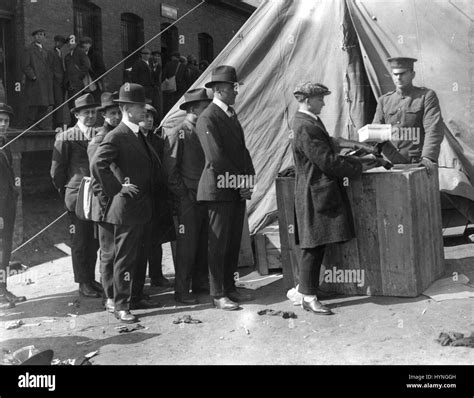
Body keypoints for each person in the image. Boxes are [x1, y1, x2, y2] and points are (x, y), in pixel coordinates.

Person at [291, 82, 378, 315]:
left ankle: (307, 289)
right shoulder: (304, 125)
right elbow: (327, 161)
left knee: (317, 242)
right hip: (314, 191)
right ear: (308, 100)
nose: (324, 102)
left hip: (317, 189)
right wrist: (359, 165)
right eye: (320, 99)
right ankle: (308, 297)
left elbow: (329, 142)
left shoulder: (309, 121)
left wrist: (357, 145)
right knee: (313, 244)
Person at [91, 83, 162, 323]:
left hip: (142, 207)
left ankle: (135, 296)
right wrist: (117, 188)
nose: (144, 109)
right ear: (126, 108)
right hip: (127, 209)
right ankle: (121, 305)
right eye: (140, 106)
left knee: (139, 255)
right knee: (124, 258)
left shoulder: (137, 133)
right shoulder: (117, 135)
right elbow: (97, 164)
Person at [196, 66, 255, 311]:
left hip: (233, 188)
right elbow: (215, 158)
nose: (236, 92)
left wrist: (248, 180)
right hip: (219, 190)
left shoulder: (231, 114)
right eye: (233, 88)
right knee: (218, 243)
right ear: (218, 90)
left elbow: (242, 151)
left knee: (231, 243)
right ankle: (218, 293)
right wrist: (239, 182)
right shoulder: (208, 117)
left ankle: (230, 287)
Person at [50, 93, 102, 298]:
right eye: (85, 113)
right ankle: (83, 282)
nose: (90, 116)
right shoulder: (66, 137)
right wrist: (67, 192)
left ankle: (90, 278)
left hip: (97, 194)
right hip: (77, 195)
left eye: (93, 112)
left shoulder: (99, 135)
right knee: (80, 239)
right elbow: (56, 171)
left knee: (94, 240)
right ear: (77, 115)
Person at [163, 88, 212, 304]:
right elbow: (170, 172)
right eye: (204, 108)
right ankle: (181, 291)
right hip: (188, 200)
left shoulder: (204, 131)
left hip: (204, 197)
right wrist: (184, 195)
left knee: (203, 243)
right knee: (187, 247)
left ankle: (200, 284)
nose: (207, 112)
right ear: (192, 109)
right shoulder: (178, 133)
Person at [372, 57, 444, 175]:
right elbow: (376, 132)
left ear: (412, 74)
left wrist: (428, 157)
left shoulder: (426, 96)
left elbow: (434, 129)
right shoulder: (384, 101)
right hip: (391, 165)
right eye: (395, 74)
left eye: (402, 73)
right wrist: (376, 154)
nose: (398, 77)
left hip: (418, 163)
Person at [87, 91, 121, 313]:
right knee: (108, 252)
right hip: (106, 204)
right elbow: (96, 175)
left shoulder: (122, 135)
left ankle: (123, 292)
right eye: (111, 113)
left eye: (118, 112)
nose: (116, 117)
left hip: (119, 203)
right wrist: (107, 198)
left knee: (122, 250)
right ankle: (109, 296)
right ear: (104, 116)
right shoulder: (100, 139)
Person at [136, 104, 175, 296]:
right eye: (145, 116)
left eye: (151, 117)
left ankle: (157, 275)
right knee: (142, 239)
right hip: (142, 195)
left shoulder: (158, 140)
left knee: (157, 238)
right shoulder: (134, 139)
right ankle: (140, 280)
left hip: (157, 195)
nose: (149, 120)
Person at [0, 103, 27, 305]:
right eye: (0, 120)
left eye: (6, 121)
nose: (3, 124)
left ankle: (3, 289)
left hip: (7, 206)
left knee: (5, 250)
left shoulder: (5, 143)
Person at [21, 28, 54, 130]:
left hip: (45, 82)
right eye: (38, 35)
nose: (40, 36)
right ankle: (31, 124)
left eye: (42, 35)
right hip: (35, 82)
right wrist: (33, 76)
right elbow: (25, 65)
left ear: (44, 37)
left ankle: (39, 124)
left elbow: (49, 66)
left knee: (44, 105)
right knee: (34, 104)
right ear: (34, 37)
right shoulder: (29, 49)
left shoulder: (46, 51)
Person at [64, 34, 91, 126]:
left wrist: (79, 76)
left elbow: (87, 65)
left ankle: (77, 123)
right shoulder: (67, 56)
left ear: (76, 43)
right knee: (71, 104)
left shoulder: (80, 53)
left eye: (72, 42)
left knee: (77, 102)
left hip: (77, 83)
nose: (70, 44)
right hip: (70, 84)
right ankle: (73, 122)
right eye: (68, 43)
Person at [79, 36, 106, 103]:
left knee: (96, 103)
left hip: (94, 84)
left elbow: (102, 69)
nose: (84, 45)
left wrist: (94, 78)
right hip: (83, 85)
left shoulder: (96, 55)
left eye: (86, 43)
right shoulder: (79, 56)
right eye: (82, 43)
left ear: (90, 44)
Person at [51, 35, 66, 129]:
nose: (60, 44)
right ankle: (58, 123)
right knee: (58, 102)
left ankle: (57, 123)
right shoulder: (51, 53)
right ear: (55, 42)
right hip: (55, 81)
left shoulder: (60, 52)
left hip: (61, 82)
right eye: (58, 42)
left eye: (62, 43)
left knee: (60, 102)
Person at [150, 50, 163, 122]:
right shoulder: (149, 65)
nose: (157, 58)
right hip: (150, 88)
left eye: (158, 56)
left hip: (156, 88)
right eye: (155, 56)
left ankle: (156, 121)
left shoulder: (159, 66)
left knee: (157, 105)